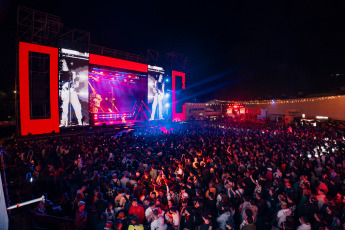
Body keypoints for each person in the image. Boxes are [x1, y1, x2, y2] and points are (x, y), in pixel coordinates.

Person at [60, 59, 83, 126]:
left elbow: (77, 84)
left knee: (77, 107)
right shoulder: (64, 72)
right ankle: (63, 122)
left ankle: (80, 121)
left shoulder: (76, 74)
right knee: (64, 108)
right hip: (65, 92)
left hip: (72, 92)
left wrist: (72, 85)